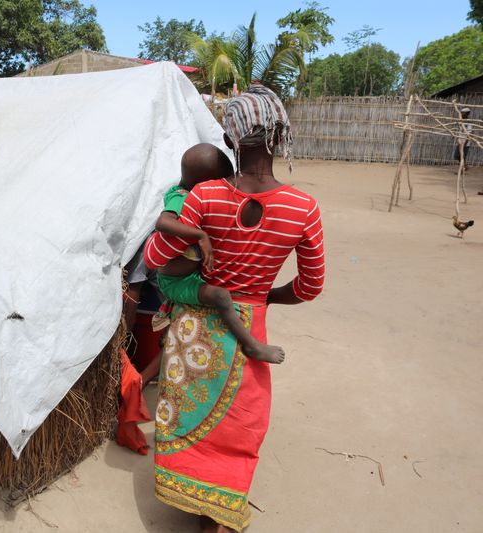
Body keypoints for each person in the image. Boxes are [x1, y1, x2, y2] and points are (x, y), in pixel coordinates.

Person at [144, 83, 325, 533]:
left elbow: (157, 259)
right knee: (238, 426)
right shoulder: (304, 209)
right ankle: (219, 515)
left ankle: (196, 498)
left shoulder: (203, 197)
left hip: (194, 332)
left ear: (230, 139)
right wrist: (264, 296)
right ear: (281, 135)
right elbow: (310, 287)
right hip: (251, 327)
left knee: (188, 414)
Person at [152, 143, 285, 364]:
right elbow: (163, 222)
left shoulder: (195, 196)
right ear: (205, 184)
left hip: (188, 272)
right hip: (174, 280)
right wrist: (200, 236)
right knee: (221, 296)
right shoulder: (180, 197)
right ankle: (251, 345)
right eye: (222, 181)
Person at [454, 107, 472, 172]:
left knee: (462, 156)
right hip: (460, 141)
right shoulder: (460, 121)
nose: (461, 113)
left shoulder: (468, 123)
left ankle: (462, 169)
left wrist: (465, 143)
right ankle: (465, 166)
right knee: (457, 155)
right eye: (461, 112)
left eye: (463, 113)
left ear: (467, 114)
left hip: (465, 143)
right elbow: (457, 130)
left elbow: (469, 134)